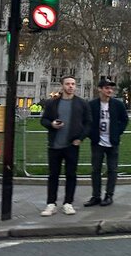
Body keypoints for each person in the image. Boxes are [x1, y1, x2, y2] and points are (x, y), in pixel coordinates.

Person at [39, 76, 92, 216]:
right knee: (53, 175)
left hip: (72, 145)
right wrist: (51, 124)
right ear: (62, 85)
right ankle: (51, 203)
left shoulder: (82, 103)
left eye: (73, 84)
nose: (70, 86)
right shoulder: (52, 103)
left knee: (71, 174)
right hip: (54, 145)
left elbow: (88, 123)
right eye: (68, 84)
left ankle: (68, 203)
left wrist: (80, 138)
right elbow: (44, 120)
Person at [84, 78, 129, 207]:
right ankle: (96, 196)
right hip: (98, 142)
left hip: (112, 142)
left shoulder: (118, 104)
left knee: (112, 169)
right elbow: (86, 121)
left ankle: (109, 195)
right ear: (100, 89)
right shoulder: (92, 105)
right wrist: (92, 135)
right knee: (95, 170)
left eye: (111, 88)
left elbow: (124, 120)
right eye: (106, 88)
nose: (109, 90)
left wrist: (117, 132)